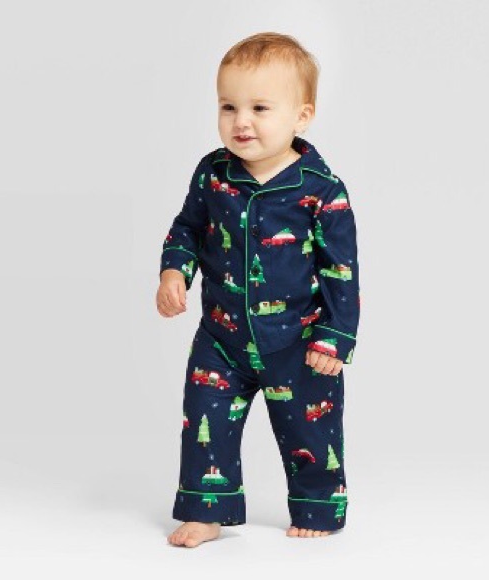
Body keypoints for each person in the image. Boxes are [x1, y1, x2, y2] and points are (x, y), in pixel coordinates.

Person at [156, 32, 360, 548]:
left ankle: (318, 505)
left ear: (301, 116)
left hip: (297, 341)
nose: (240, 121)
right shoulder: (213, 174)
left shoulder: (322, 190)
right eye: (229, 106)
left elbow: (341, 270)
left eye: (260, 108)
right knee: (203, 421)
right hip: (220, 338)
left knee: (311, 432)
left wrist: (334, 337)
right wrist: (174, 272)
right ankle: (206, 511)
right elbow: (187, 228)